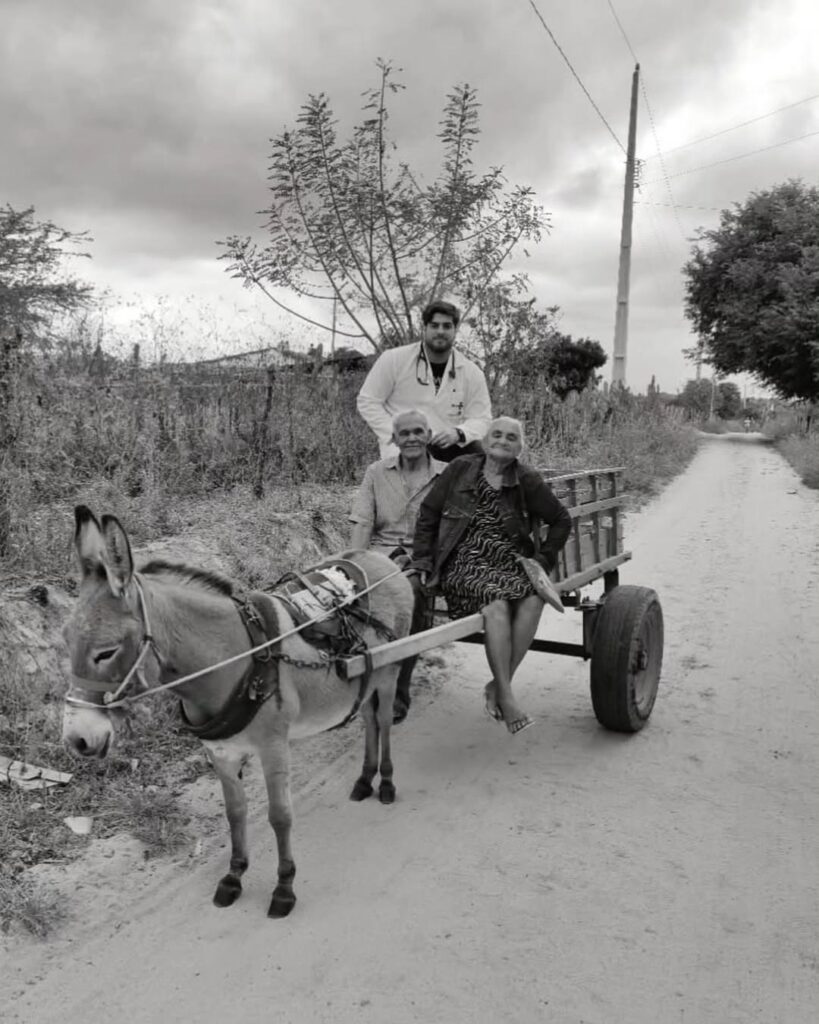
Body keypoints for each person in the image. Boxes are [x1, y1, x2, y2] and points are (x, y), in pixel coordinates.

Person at [411, 416, 571, 735]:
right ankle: (508, 697)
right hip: (461, 557)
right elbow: (428, 513)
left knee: (534, 600)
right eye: (496, 434)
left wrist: (541, 559)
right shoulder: (460, 468)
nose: (502, 441)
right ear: (485, 441)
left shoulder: (526, 479)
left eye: (511, 437)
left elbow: (561, 520)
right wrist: (424, 561)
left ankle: (498, 686)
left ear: (519, 447)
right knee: (496, 605)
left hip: (508, 559)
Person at [349, 409, 447, 724]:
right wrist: (352, 563)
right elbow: (363, 522)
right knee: (348, 599)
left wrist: (424, 558)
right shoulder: (376, 472)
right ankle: (351, 687)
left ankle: (398, 692)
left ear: (429, 435)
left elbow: (451, 527)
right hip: (382, 554)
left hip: (424, 559)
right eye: (404, 433)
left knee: (410, 597)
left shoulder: (447, 475)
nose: (412, 438)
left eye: (418, 431)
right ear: (394, 439)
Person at [356, 299, 492, 462]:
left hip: (447, 445)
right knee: (417, 477)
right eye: (435, 325)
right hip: (405, 444)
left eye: (447, 326)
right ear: (424, 328)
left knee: (483, 461)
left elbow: (482, 418)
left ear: (455, 329)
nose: (440, 331)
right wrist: (397, 432)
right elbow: (368, 401)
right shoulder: (393, 359)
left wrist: (459, 433)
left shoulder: (472, 372)